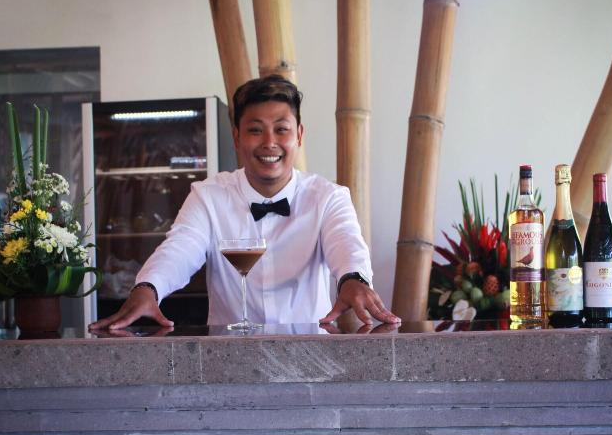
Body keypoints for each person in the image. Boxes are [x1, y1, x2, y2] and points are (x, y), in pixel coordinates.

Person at [90, 75, 400, 330]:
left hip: (310, 355)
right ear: (237, 137)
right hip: (228, 357)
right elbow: (180, 248)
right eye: (255, 130)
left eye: (281, 129)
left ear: (299, 135)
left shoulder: (329, 197)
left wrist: (353, 278)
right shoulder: (208, 196)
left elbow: (346, 242)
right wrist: (148, 288)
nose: (269, 142)